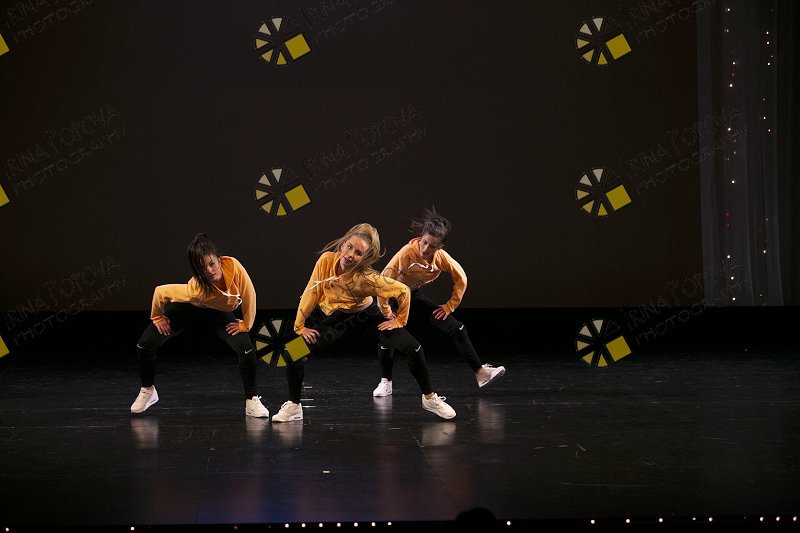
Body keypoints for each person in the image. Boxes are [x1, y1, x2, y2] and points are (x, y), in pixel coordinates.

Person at [271, 223, 456, 422]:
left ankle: (429, 398)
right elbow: (312, 291)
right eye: (349, 247)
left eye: (358, 253)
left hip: (367, 317)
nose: (351, 255)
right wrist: (299, 326)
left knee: (414, 348)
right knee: (292, 352)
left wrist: (400, 320)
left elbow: (403, 290)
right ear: (342, 244)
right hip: (339, 320)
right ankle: (294, 406)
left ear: (364, 259)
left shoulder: (367, 278)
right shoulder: (325, 261)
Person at [130, 233, 269, 417]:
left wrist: (246, 325)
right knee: (145, 344)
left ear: (219, 260)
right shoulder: (195, 290)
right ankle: (148, 391)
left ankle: (252, 400)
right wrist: (157, 317)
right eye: (203, 268)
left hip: (217, 313)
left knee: (246, 348)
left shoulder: (234, 267)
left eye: (212, 264)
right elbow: (160, 292)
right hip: (189, 309)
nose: (210, 271)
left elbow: (249, 294)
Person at [373, 209, 505, 397]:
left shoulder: (441, 258)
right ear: (421, 238)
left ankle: (481, 373)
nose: (425, 249)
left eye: (432, 246)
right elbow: (383, 282)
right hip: (393, 299)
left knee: (456, 328)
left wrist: (450, 306)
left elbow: (461, 278)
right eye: (424, 242)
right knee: (386, 337)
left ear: (440, 247)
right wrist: (386, 310)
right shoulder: (406, 253)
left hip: (415, 296)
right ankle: (386, 382)